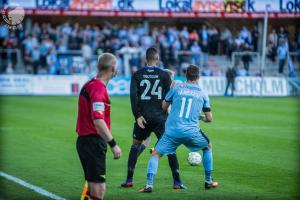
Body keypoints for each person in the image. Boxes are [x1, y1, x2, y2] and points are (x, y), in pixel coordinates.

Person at [139, 64, 218, 193]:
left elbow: (164, 106)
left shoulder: (176, 88)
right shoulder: (203, 93)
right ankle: (208, 180)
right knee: (207, 146)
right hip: (191, 132)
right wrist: (200, 117)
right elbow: (209, 118)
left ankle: (149, 184)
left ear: (185, 75)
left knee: (156, 154)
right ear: (198, 76)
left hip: (172, 132)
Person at [121, 47, 186, 189]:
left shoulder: (137, 74)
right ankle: (177, 182)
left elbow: (133, 97)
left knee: (135, 145)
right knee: (170, 148)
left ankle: (129, 179)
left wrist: (137, 116)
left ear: (146, 59)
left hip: (142, 118)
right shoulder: (163, 75)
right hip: (160, 118)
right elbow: (170, 97)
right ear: (157, 59)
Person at [76, 53, 122, 200]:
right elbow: (98, 120)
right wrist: (113, 144)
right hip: (93, 142)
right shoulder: (98, 89)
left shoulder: (90, 84)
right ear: (113, 68)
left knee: (91, 186)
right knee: (99, 189)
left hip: (85, 142)